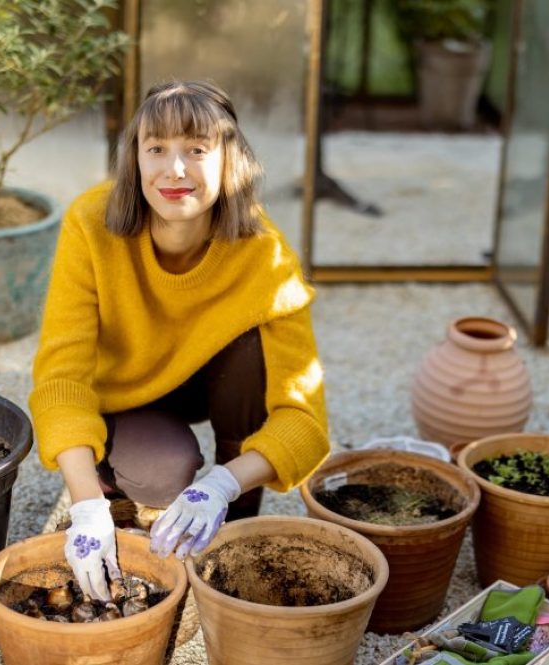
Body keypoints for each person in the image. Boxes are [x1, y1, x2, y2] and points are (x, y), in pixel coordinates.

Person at [28, 80, 329, 601]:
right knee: (161, 467)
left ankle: (230, 534)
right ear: (135, 159)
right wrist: (85, 505)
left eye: (196, 149)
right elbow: (61, 377)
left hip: (209, 384)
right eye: (157, 149)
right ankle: (110, 487)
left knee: (253, 349)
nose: (176, 170)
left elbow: (305, 419)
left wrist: (222, 484)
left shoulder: (264, 254)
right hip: (121, 396)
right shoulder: (89, 225)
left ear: (230, 160)